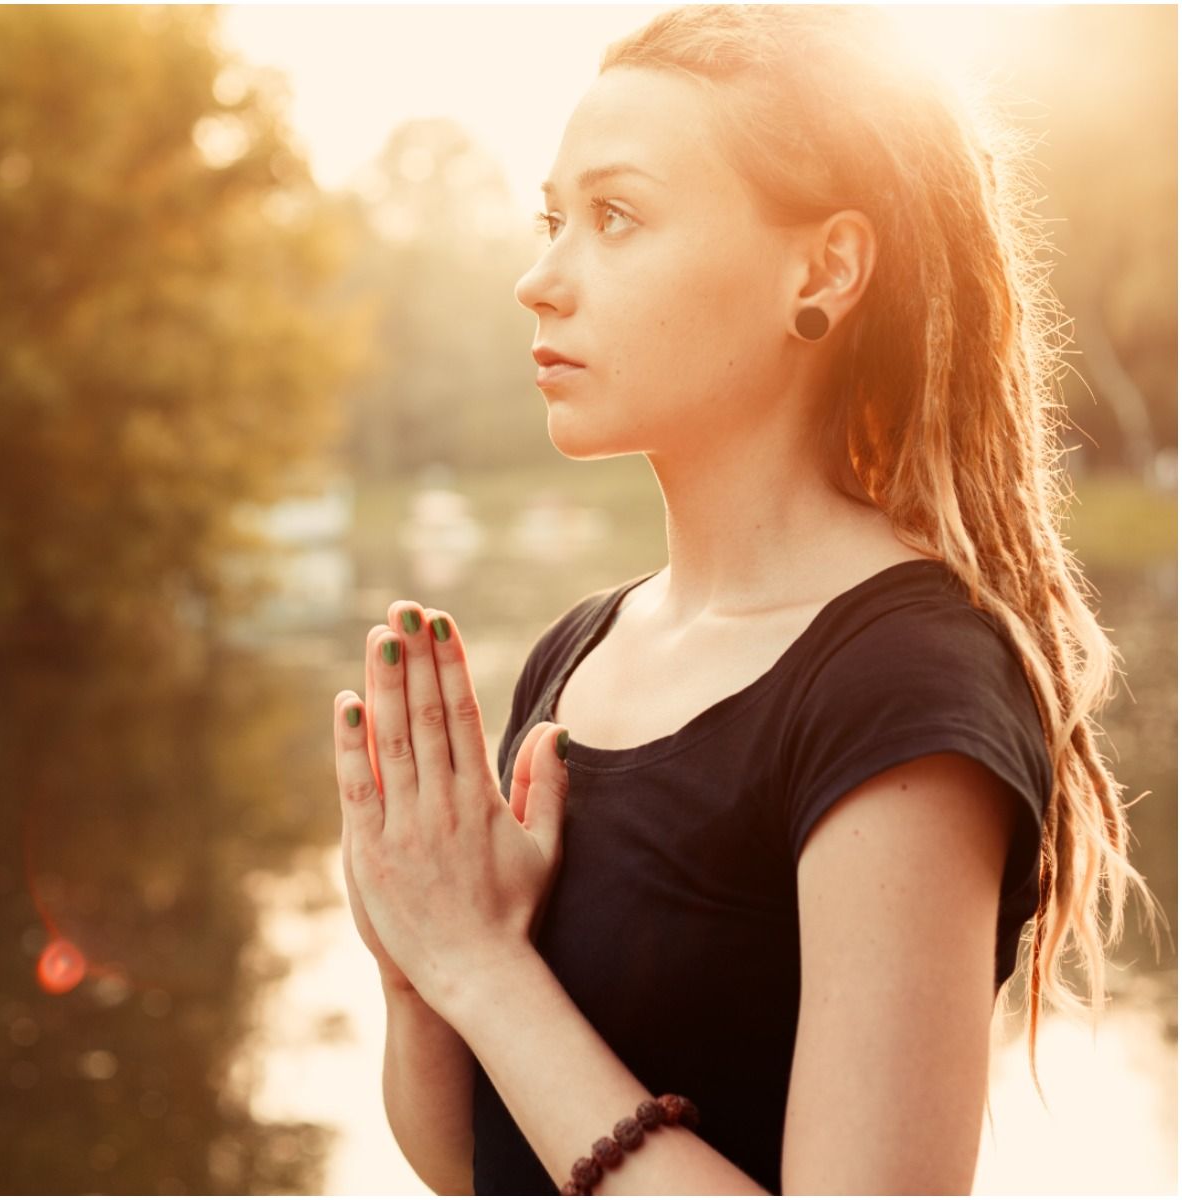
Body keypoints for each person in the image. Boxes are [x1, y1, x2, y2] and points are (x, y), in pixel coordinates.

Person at [332, 6, 1156, 1194]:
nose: (538, 281)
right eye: (551, 221)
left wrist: (481, 968)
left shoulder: (903, 683)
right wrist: (418, 963)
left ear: (821, 269)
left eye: (615, 217)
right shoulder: (578, 653)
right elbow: (472, 1160)